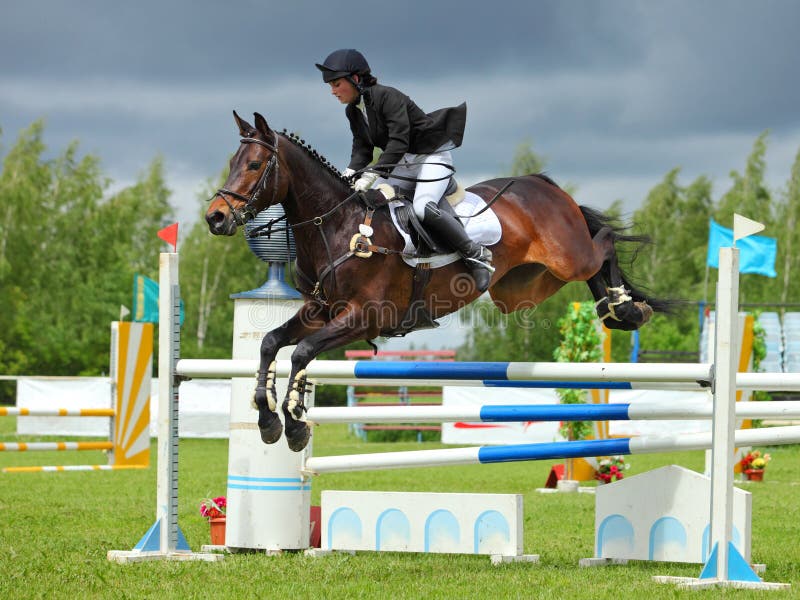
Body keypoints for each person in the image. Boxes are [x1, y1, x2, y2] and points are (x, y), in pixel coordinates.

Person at [315, 48, 494, 292]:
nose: (333, 91)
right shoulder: (353, 112)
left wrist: (373, 173)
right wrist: (347, 175)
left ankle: (476, 255)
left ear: (355, 79)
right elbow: (362, 150)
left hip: (429, 157)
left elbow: (399, 140)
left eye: (336, 84)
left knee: (422, 208)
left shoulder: (388, 97)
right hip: (400, 164)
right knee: (371, 205)